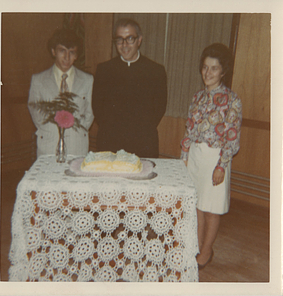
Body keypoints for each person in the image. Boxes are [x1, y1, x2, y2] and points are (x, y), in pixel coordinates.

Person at [180, 43, 242, 269]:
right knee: (197, 206)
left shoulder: (232, 101)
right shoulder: (197, 97)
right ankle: (196, 247)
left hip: (215, 159)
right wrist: (184, 157)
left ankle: (206, 251)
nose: (208, 73)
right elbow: (189, 130)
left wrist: (221, 166)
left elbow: (232, 138)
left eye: (214, 68)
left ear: (223, 71)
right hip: (195, 157)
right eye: (205, 68)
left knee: (211, 209)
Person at [92, 18, 167, 158]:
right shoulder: (104, 70)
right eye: (119, 39)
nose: (124, 44)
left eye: (130, 38)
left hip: (143, 143)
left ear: (139, 40)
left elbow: (159, 108)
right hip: (110, 142)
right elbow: (97, 108)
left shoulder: (155, 71)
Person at [28, 28, 94, 157]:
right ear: (53, 51)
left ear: (76, 55)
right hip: (48, 144)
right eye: (62, 51)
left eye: (72, 52)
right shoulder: (38, 80)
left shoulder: (87, 80)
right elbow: (35, 111)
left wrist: (76, 128)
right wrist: (52, 128)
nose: (67, 57)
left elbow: (90, 112)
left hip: (78, 145)